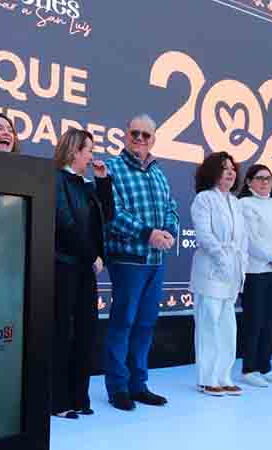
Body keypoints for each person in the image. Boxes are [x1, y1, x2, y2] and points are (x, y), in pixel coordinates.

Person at [104, 114, 178, 411]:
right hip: (128, 260)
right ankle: (118, 388)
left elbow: (171, 207)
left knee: (145, 325)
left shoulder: (158, 172)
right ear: (126, 135)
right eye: (135, 133)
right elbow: (111, 213)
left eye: (146, 135)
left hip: (156, 261)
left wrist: (169, 231)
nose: (140, 139)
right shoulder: (112, 168)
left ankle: (139, 385)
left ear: (153, 139)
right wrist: (148, 234)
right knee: (123, 323)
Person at [52, 128, 113, 419]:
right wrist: (92, 257)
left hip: (86, 268)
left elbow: (107, 217)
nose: (92, 156)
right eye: (88, 150)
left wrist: (103, 182)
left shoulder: (87, 185)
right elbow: (65, 223)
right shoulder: (56, 179)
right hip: (64, 266)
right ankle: (58, 401)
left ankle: (79, 398)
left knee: (85, 333)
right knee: (62, 333)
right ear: (74, 150)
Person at [190, 152, 248, 397]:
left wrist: (240, 268)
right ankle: (207, 378)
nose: (230, 172)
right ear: (213, 172)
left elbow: (243, 239)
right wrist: (221, 258)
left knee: (227, 326)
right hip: (210, 269)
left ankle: (224, 376)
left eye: (232, 168)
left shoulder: (235, 202)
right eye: (224, 168)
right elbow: (204, 235)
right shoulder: (204, 199)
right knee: (208, 323)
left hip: (232, 270)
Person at [237, 164, 272, 388]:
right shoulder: (244, 204)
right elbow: (251, 239)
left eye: (268, 178)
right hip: (255, 270)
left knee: (270, 320)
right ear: (249, 182)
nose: (264, 182)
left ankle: (265, 367)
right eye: (259, 178)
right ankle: (249, 368)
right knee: (255, 320)